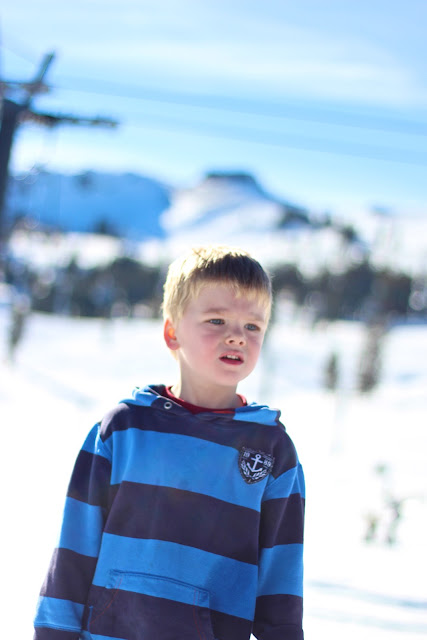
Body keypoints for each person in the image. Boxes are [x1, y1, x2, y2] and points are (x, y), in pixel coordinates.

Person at [33, 245, 305, 640]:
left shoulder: (271, 451)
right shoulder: (123, 431)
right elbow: (74, 549)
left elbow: (281, 582)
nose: (237, 336)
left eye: (253, 326)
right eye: (217, 320)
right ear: (172, 332)